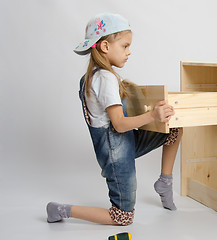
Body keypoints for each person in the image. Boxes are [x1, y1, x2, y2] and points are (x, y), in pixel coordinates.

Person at [46, 13, 182, 226]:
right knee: (123, 217)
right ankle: (62, 210)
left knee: (173, 129)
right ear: (106, 47)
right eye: (125, 46)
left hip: (124, 142)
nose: (129, 52)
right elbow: (118, 124)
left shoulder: (93, 77)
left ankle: (165, 182)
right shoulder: (106, 79)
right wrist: (152, 116)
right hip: (115, 152)